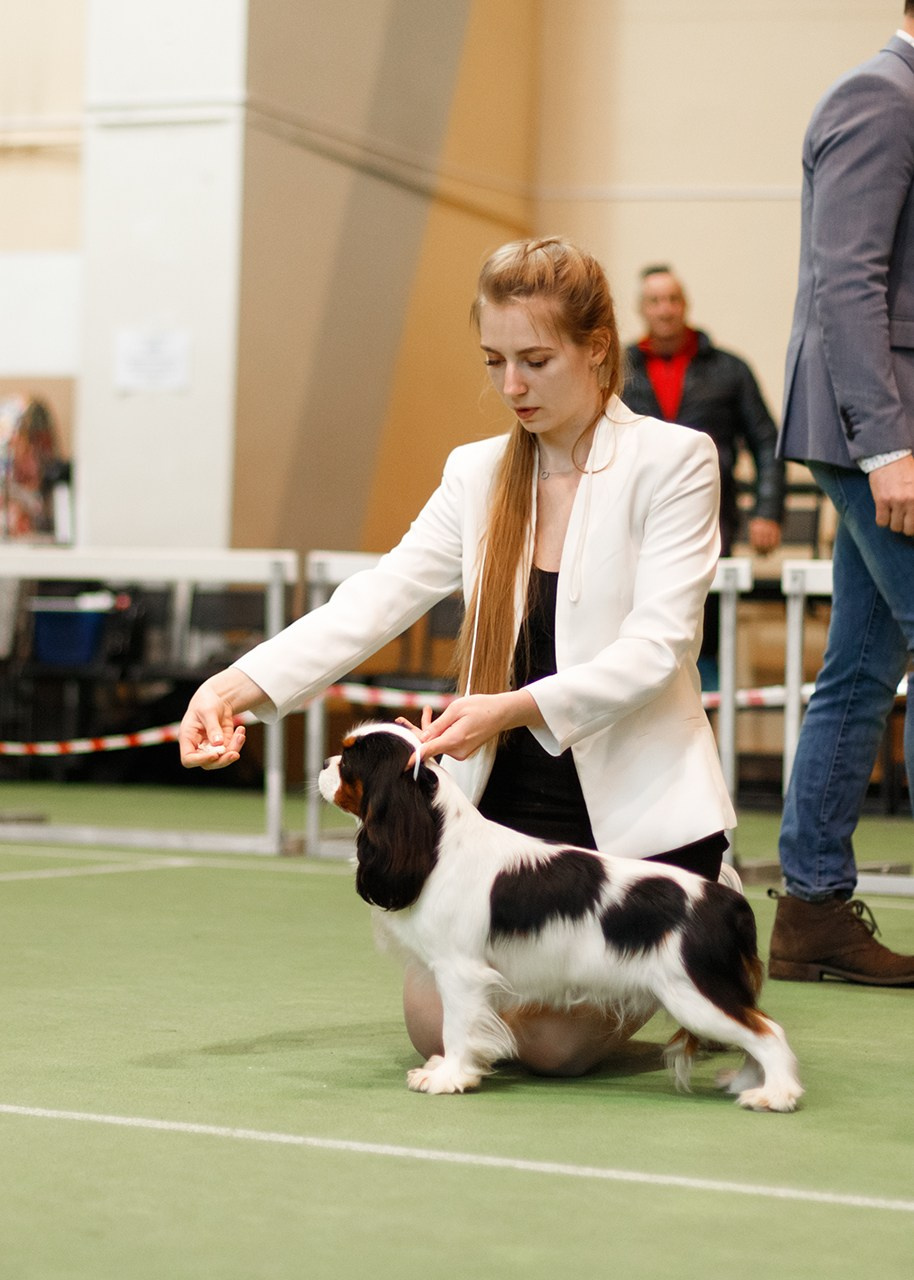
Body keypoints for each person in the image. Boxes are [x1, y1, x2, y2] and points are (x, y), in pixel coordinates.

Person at [179, 236, 737, 1072]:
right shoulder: (476, 474)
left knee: (549, 1045)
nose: (511, 387)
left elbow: (660, 648)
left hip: (634, 829)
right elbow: (376, 599)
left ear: (596, 349)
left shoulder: (675, 460)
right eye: (494, 362)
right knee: (434, 1023)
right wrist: (232, 687)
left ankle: (699, 931)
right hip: (508, 826)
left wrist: (513, 707)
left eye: (536, 361)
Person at [768, 11, 914, 986]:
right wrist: (888, 445)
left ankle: (812, 909)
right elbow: (845, 283)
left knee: (859, 667)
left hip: (875, 433)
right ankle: (812, 900)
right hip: (875, 434)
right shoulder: (882, 96)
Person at [624, 266, 786, 683]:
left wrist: (767, 511)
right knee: (638, 618)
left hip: (712, 515)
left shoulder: (730, 369)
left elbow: (766, 441)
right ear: (642, 308)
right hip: (635, 517)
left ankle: (706, 710)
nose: (665, 309)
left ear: (685, 304)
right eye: (655, 301)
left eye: (672, 299)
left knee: (705, 622)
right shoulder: (619, 369)